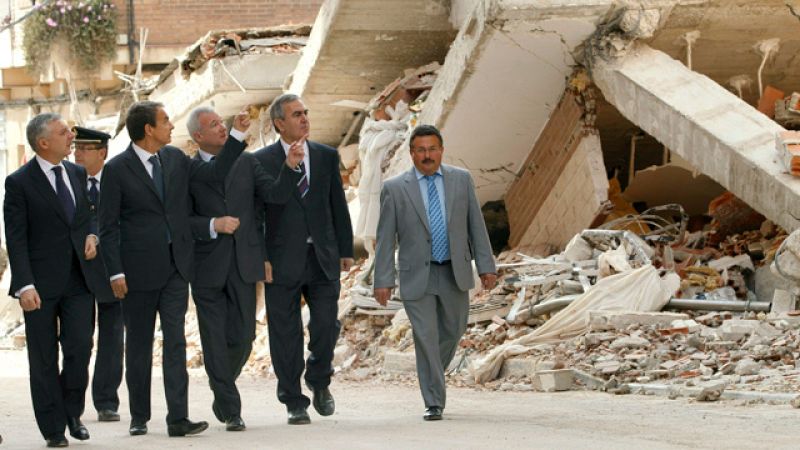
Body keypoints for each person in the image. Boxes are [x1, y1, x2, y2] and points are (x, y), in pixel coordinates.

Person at [98, 101, 247, 437]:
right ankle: (139, 416)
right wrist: (115, 272)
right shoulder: (117, 169)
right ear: (148, 129)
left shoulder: (177, 158)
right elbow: (107, 226)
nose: (170, 125)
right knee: (139, 344)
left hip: (177, 267)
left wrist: (236, 135)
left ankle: (178, 418)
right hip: (136, 271)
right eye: (165, 120)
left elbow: (214, 174)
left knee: (176, 342)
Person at [186, 106, 303, 431]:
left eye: (221, 123)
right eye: (213, 125)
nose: (222, 128)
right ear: (198, 136)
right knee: (213, 339)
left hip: (244, 263)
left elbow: (275, 196)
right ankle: (231, 407)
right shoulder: (188, 170)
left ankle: (220, 389)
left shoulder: (246, 162)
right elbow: (183, 220)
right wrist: (212, 224)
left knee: (244, 337)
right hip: (207, 267)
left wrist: (290, 168)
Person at [373, 124, 497, 421]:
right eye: (420, 150)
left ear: (441, 150)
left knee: (453, 330)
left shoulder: (461, 180)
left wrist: (486, 266)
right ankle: (433, 401)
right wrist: (383, 280)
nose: (427, 155)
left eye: (432, 149)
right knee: (425, 336)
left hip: (454, 271)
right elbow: (385, 238)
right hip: (418, 275)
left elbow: (475, 227)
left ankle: (431, 374)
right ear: (411, 153)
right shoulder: (394, 188)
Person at [253, 94, 354, 425]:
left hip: (322, 255)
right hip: (281, 260)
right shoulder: (262, 161)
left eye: (306, 113)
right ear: (279, 123)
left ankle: (319, 379)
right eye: (297, 114)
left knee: (326, 323)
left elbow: (336, 204)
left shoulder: (325, 155)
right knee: (285, 332)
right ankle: (293, 399)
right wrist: (261, 258)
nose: (305, 118)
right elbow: (259, 215)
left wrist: (345, 249)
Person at [4, 113, 98, 447]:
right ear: (43, 142)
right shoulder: (18, 183)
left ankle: (71, 410)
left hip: (79, 280)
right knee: (43, 359)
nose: (71, 136)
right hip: (39, 287)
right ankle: (53, 429)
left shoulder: (76, 172)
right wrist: (24, 284)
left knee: (80, 348)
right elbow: (16, 237)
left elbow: (88, 216)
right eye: (63, 132)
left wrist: (92, 235)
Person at [72, 126, 124, 423]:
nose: (77, 153)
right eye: (76, 147)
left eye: (85, 149)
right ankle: (74, 404)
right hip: (78, 270)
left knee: (112, 337)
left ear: (102, 152)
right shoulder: (69, 179)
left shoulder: (116, 179)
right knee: (79, 339)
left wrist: (97, 236)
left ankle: (106, 401)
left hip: (110, 269)